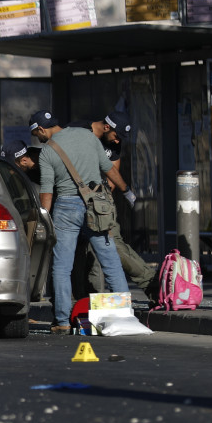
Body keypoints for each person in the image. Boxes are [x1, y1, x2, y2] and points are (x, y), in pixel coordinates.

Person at [36, 110, 132, 333]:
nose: (37, 137)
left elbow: (47, 193)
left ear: (42, 129)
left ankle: (61, 321)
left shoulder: (47, 152)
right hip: (96, 206)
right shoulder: (88, 136)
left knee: (61, 268)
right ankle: (124, 315)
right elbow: (108, 169)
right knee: (111, 262)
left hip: (65, 208)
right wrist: (127, 191)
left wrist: (44, 221)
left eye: (36, 133)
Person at [78, 111, 158, 301]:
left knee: (113, 245)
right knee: (85, 253)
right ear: (107, 127)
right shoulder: (80, 131)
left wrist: (104, 201)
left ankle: (152, 284)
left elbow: (113, 173)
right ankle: (89, 299)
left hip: (99, 203)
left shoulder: (114, 142)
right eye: (116, 136)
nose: (116, 142)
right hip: (76, 199)